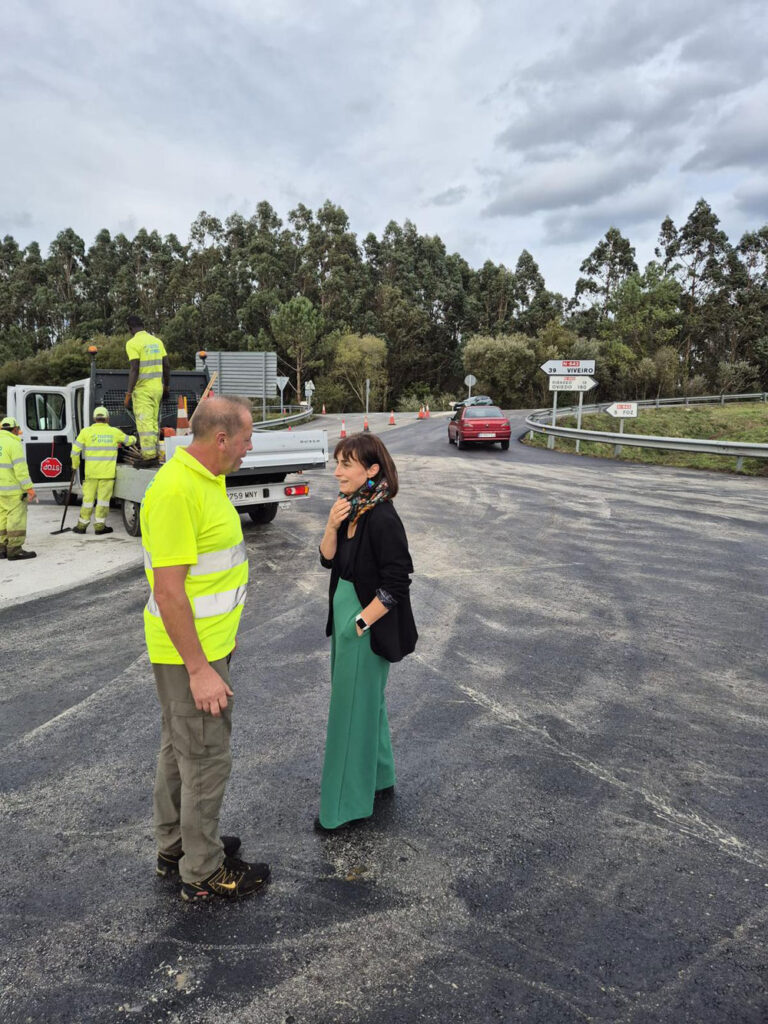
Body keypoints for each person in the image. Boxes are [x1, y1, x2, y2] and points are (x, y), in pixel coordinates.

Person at [140, 395, 269, 901]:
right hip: (189, 657)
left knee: (180, 749)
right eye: (245, 439)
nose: (248, 447)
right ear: (221, 438)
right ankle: (205, 870)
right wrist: (199, 668)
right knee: (205, 757)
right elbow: (169, 591)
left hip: (207, 647)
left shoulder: (204, 480)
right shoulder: (175, 491)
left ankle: (178, 845)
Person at [317, 432, 418, 831]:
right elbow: (329, 560)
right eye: (337, 462)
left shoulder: (383, 517)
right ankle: (380, 777)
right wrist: (330, 524)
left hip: (362, 624)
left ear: (372, 470)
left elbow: (398, 582)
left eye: (346, 463)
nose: (337, 471)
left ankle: (343, 808)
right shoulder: (350, 508)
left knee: (349, 714)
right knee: (367, 704)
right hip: (344, 615)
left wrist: (359, 624)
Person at [71, 406, 136, 535]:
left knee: (88, 500)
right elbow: (129, 441)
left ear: (94, 418)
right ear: (107, 418)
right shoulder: (114, 432)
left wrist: (75, 465)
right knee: (103, 500)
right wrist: (135, 438)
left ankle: (81, 526)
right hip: (107, 474)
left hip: (91, 474)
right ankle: (100, 526)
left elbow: (74, 452)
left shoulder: (86, 432)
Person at [124, 315, 170, 462]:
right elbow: (167, 365)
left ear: (130, 329)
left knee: (145, 424)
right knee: (153, 423)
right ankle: (155, 452)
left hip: (143, 390)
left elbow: (134, 368)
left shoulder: (132, 343)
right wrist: (166, 386)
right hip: (157, 389)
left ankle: (149, 456)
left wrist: (129, 393)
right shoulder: (157, 341)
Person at [0, 416, 37, 560]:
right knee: (16, 518)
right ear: (15, 429)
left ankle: (1, 548)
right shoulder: (14, 444)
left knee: (2, 517)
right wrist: (29, 489)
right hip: (13, 490)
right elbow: (21, 471)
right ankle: (15, 550)